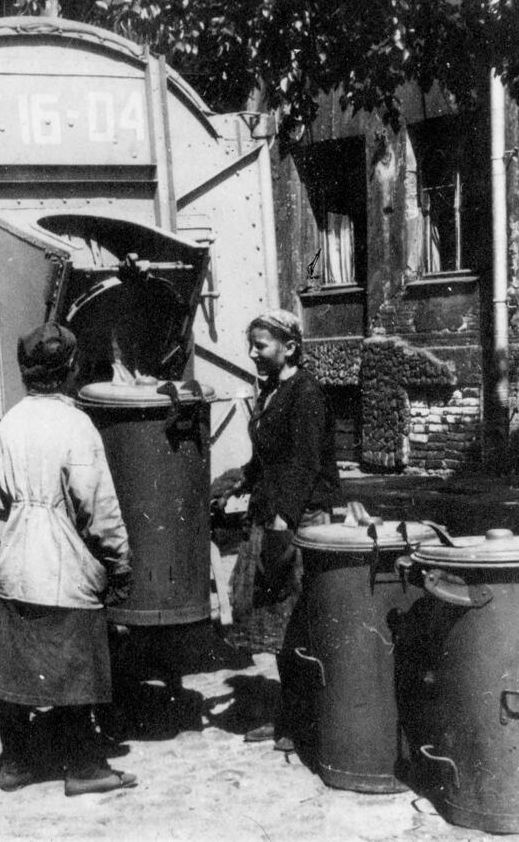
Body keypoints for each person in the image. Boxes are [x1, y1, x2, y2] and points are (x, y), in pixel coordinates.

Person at [0, 322, 138, 796]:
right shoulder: (76, 425)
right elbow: (97, 506)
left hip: (16, 554)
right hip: (64, 557)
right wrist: (118, 562)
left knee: (16, 664)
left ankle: (16, 763)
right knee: (74, 665)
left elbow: (2, 489)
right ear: (71, 368)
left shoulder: (9, 422)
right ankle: (84, 768)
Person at [218, 309, 340, 753]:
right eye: (250, 344)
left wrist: (283, 523)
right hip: (273, 514)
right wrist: (237, 481)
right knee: (279, 624)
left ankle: (304, 723)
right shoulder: (271, 390)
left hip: (299, 520)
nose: (252, 353)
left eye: (261, 345)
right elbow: (268, 458)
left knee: (298, 624)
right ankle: (290, 715)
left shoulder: (306, 392)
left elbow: (305, 464)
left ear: (289, 347)